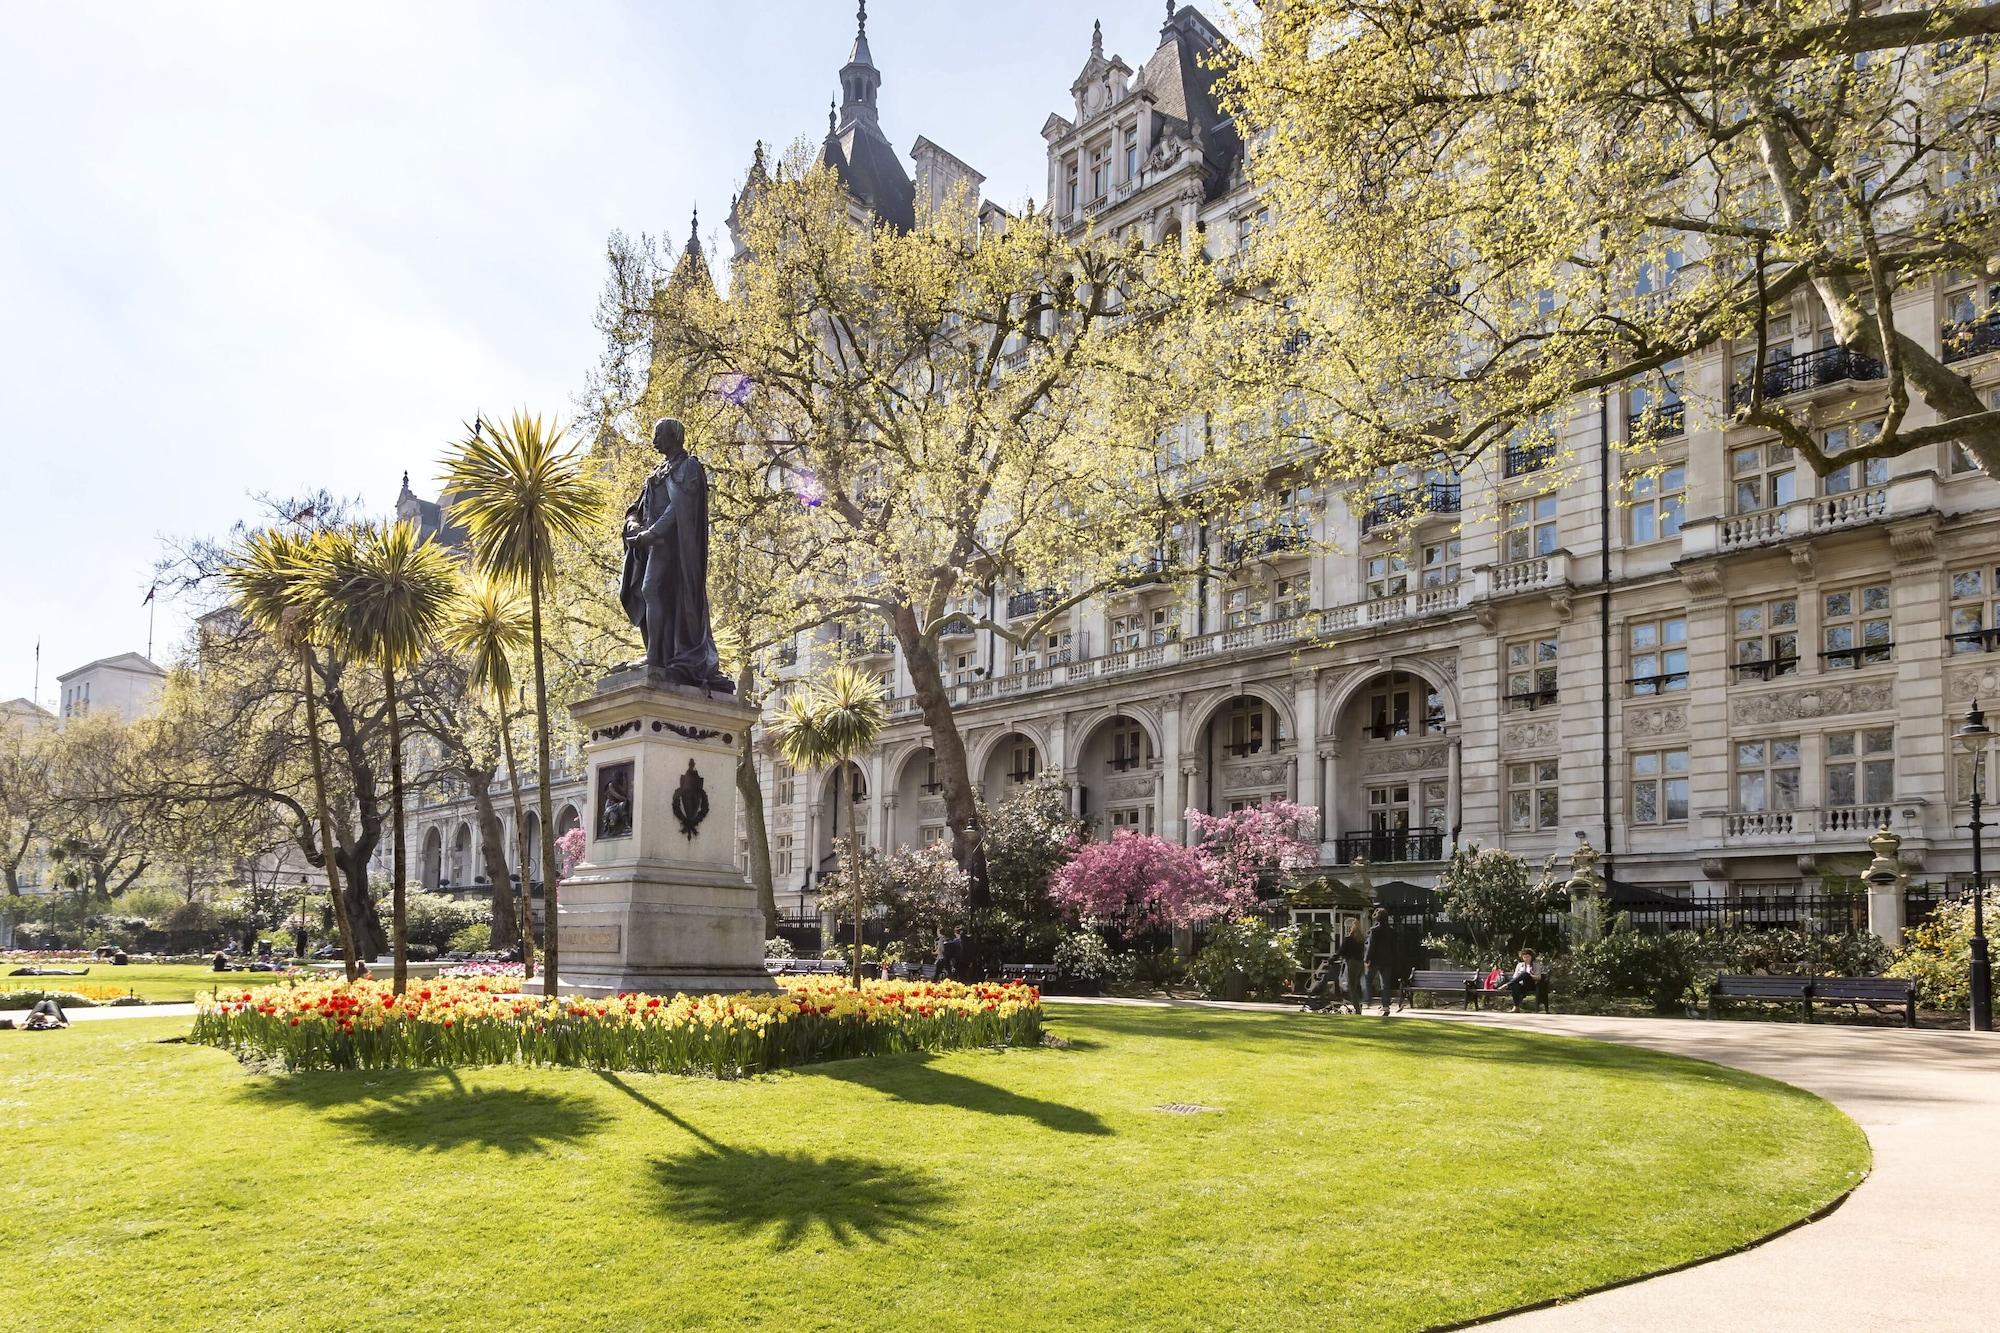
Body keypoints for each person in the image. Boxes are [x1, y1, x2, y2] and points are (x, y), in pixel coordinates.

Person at [1363, 908, 1396, 1015]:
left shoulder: (1374, 930)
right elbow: (1393, 946)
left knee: (1367, 980)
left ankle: (1367, 1000)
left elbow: (1371, 946)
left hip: (1375, 960)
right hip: (1387, 960)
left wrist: (1367, 959)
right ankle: (1385, 1006)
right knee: (1385, 984)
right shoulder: (1390, 930)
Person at [1337, 918, 1367, 1014]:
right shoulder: (1361, 940)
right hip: (1360, 963)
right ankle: (1359, 1003)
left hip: (1352, 963)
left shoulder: (1349, 939)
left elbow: (1341, 951)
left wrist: (1333, 958)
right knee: (1357, 985)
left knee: (1351, 986)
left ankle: (1356, 1007)